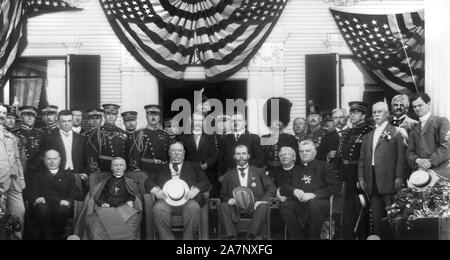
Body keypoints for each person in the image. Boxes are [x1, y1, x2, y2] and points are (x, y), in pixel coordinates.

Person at [358, 102, 406, 237]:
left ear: (387, 114)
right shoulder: (368, 136)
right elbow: (362, 158)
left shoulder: (396, 132)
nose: (376, 115)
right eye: (374, 112)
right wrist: (361, 177)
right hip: (371, 178)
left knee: (393, 214)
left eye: (379, 112)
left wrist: (399, 176)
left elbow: (401, 157)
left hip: (389, 178)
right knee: (377, 215)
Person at [146, 142, 210, 240]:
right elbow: (148, 181)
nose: (177, 153)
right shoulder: (160, 168)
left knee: (194, 207)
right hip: (166, 201)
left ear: (184, 153)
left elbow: (206, 182)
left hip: (188, 200)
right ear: (169, 153)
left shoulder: (194, 166)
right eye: (173, 150)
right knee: (158, 208)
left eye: (179, 150)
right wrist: (155, 189)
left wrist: (196, 189)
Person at [279, 140, 340, 240]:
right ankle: (299, 237)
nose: (304, 153)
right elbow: (284, 188)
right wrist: (294, 191)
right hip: (299, 203)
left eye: (307, 151)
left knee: (314, 205)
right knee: (285, 206)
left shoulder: (324, 166)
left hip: (320, 202)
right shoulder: (295, 169)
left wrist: (314, 195)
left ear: (314, 152)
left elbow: (335, 186)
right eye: (302, 151)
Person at [74, 158, 143, 240]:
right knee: (95, 223)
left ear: (125, 167)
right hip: (107, 208)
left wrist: (130, 201)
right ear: (111, 168)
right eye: (115, 165)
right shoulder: (106, 182)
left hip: (124, 207)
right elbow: (99, 196)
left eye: (121, 165)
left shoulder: (130, 182)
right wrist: (102, 203)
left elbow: (134, 194)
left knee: (133, 221)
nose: (118, 167)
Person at [334, 101, 373, 240]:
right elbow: (340, 154)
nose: (352, 115)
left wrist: (362, 177)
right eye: (351, 112)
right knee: (347, 213)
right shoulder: (347, 131)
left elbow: (368, 157)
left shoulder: (369, 130)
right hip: (346, 175)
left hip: (359, 175)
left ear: (363, 115)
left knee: (361, 209)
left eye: (356, 112)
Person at [220, 145, 275, 240]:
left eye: (244, 153)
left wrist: (261, 201)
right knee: (223, 206)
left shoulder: (259, 171)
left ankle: (251, 236)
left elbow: (271, 188)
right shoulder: (228, 174)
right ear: (234, 156)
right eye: (238, 154)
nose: (241, 156)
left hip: (255, 208)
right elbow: (223, 194)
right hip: (236, 208)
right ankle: (231, 237)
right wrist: (228, 199)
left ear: (248, 156)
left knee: (264, 205)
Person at [28, 150, 78, 240]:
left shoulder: (68, 175)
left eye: (55, 159)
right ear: (44, 160)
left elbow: (73, 191)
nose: (52, 161)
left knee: (62, 210)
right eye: (49, 159)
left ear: (59, 160)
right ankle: (46, 236)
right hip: (44, 205)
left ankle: (58, 235)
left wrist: (68, 201)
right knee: (41, 209)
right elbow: (31, 191)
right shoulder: (37, 174)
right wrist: (36, 198)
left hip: (61, 205)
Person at [39, 110, 88, 196]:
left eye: (69, 121)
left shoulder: (81, 139)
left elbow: (86, 158)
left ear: (72, 121)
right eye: (63, 121)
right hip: (57, 176)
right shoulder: (49, 138)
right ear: (58, 122)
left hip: (77, 175)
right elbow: (43, 158)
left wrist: (85, 173)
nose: (67, 123)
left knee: (78, 203)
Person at [406, 93, 450, 178]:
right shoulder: (414, 129)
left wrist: (430, 162)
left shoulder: (441, 122)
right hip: (420, 175)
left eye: (420, 105)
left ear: (428, 103)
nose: (417, 109)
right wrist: (417, 160)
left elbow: (446, 147)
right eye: (414, 107)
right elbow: (409, 152)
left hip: (440, 173)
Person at [177, 113, 219, 196]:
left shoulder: (211, 137)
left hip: (206, 174)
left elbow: (215, 155)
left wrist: (206, 164)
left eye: (200, 120)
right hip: (188, 174)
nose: (198, 123)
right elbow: (180, 156)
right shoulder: (183, 137)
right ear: (192, 121)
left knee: (205, 198)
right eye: (195, 120)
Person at [0, 104, 26, 239]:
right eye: (0, 113)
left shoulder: (11, 137)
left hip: (14, 181)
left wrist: (21, 179)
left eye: (4, 113)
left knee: (19, 211)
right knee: (1, 216)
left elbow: (17, 160)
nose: (2, 116)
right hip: (0, 182)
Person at [86, 104, 133, 173]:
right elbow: (91, 153)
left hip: (120, 171)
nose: (111, 116)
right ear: (104, 115)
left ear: (117, 116)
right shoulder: (96, 132)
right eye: (108, 114)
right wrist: (95, 170)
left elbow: (128, 155)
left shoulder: (123, 133)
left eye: (114, 114)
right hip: (103, 170)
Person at [129, 105, 171, 177]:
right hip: (146, 171)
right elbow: (134, 156)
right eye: (150, 114)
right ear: (146, 116)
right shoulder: (138, 134)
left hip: (163, 171)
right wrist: (137, 172)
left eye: (156, 115)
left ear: (159, 117)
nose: (153, 117)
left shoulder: (165, 135)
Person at [219, 113, 264, 178]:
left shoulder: (254, 138)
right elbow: (220, 160)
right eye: (233, 121)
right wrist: (220, 175)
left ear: (245, 122)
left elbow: (260, 159)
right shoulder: (225, 138)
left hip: (248, 176)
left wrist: (245, 170)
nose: (236, 123)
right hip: (228, 177)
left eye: (239, 120)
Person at [261, 98, 299, 172]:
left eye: (280, 120)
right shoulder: (264, 138)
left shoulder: (291, 139)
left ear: (284, 122)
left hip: (286, 172)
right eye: (274, 120)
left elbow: (296, 158)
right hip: (269, 172)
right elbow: (261, 158)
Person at [12, 106, 43, 175]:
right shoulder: (14, 134)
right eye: (26, 115)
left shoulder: (41, 133)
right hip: (20, 170)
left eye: (32, 116)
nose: (30, 118)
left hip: (38, 170)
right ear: (21, 116)